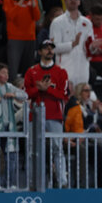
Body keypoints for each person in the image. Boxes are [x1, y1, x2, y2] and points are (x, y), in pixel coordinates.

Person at [24, 40, 70, 188]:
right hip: (35, 115)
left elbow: (63, 95)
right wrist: (40, 90)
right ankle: (32, 182)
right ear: (39, 52)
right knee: (33, 149)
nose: (49, 50)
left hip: (55, 115)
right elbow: (26, 94)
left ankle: (62, 181)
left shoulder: (61, 72)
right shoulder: (31, 71)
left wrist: (45, 89)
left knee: (58, 148)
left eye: (51, 48)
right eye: (45, 48)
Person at [50, 0, 94, 89]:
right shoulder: (57, 22)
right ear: (65, 1)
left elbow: (89, 49)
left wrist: (93, 47)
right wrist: (72, 44)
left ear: (79, 2)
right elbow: (53, 47)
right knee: (66, 100)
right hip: (65, 69)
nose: (73, 0)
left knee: (80, 102)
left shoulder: (87, 23)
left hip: (83, 70)